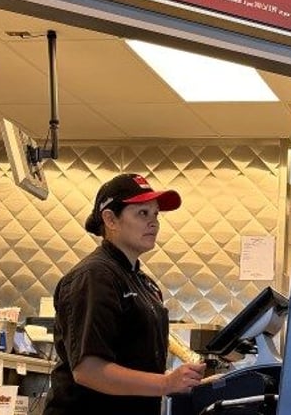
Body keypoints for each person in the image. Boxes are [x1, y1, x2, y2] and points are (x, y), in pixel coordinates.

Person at [44, 173, 206, 415]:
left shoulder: (144, 283)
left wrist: (190, 384)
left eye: (155, 215)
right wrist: (166, 383)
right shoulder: (94, 276)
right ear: (110, 219)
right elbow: (88, 369)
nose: (154, 223)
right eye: (142, 213)